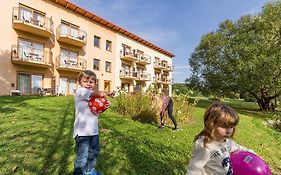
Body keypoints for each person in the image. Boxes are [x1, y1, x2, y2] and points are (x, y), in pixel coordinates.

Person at [186, 101, 255, 175]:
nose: (228, 131)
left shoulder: (226, 141)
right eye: (224, 127)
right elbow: (194, 169)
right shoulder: (204, 145)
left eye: (231, 127)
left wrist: (254, 155)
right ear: (210, 124)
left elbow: (239, 148)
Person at [73, 70, 115, 175]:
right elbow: (99, 93)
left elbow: (96, 111)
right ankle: (78, 173)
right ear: (79, 82)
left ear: (95, 83)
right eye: (85, 81)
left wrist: (105, 105)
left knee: (94, 153)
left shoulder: (94, 97)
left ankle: (89, 171)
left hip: (94, 131)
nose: (88, 84)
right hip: (82, 133)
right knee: (82, 156)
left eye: (91, 82)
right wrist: (107, 93)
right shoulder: (80, 92)